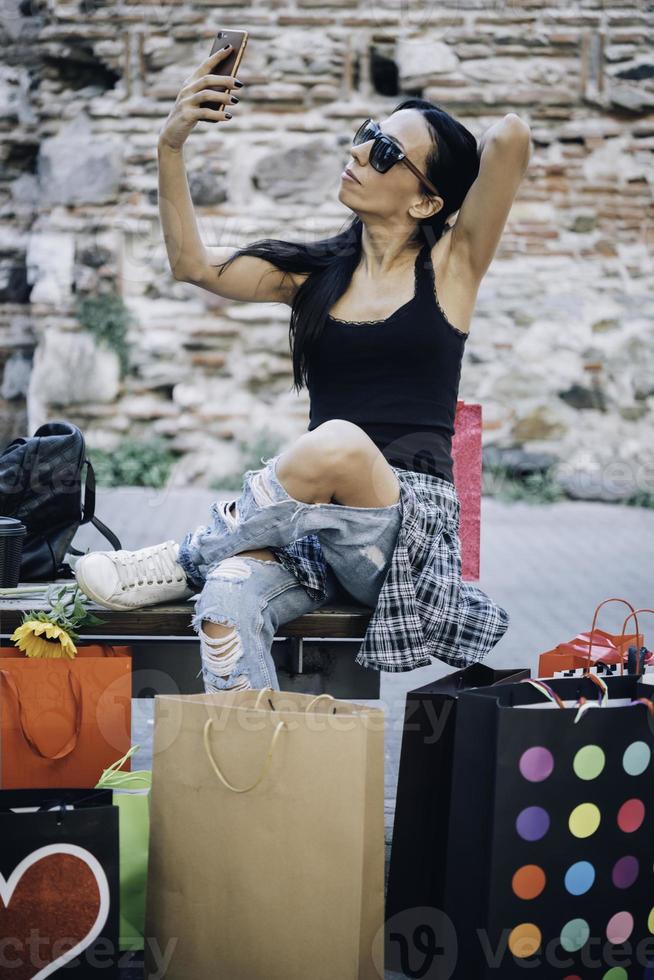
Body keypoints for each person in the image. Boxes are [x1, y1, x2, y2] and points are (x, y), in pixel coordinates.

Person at [74, 42, 533, 692]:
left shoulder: (451, 270)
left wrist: (436, 94)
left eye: (385, 152)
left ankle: (179, 558)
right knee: (227, 602)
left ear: (426, 203)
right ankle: (257, 773)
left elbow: (511, 140)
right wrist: (170, 145)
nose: (359, 152)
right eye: (365, 135)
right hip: (319, 531)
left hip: (405, 534)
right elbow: (194, 268)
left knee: (341, 443)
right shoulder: (315, 275)